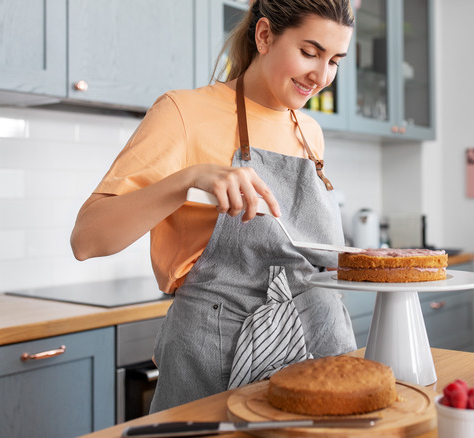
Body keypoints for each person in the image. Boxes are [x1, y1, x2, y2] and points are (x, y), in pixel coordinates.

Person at [70, 0, 358, 411]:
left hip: (317, 343)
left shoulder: (308, 129)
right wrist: (189, 178)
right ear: (264, 36)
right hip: (216, 351)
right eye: (309, 53)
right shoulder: (183, 112)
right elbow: (87, 239)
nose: (321, 75)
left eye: (334, 61)